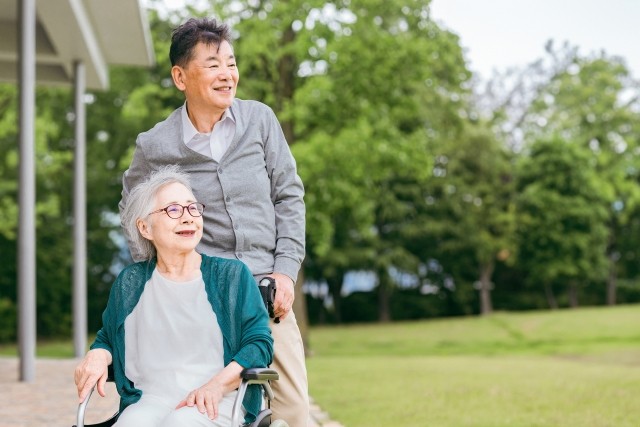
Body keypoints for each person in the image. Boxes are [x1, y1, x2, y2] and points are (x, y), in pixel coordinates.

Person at [118, 17, 309, 426]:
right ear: (180, 76)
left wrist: (286, 271)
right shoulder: (155, 145)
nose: (227, 74)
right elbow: (134, 212)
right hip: (205, 303)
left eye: (231, 62)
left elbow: (289, 196)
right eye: (212, 64)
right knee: (203, 411)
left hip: (269, 294)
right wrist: (165, 276)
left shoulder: (260, 121)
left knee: (293, 414)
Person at [75, 166, 273, 426]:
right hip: (151, 400)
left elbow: (259, 344)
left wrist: (216, 386)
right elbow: (108, 338)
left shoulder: (231, 276)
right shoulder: (131, 282)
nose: (188, 217)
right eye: (173, 210)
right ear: (145, 227)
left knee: (181, 423)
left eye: (193, 208)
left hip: (219, 399)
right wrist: (99, 353)